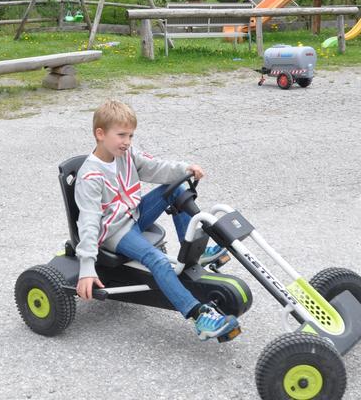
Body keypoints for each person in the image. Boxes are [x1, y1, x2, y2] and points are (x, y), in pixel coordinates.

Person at [73, 100, 239, 341]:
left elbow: (155, 168)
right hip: (114, 231)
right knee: (157, 261)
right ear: (100, 134)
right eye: (121, 135)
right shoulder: (90, 176)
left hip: (134, 215)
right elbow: (88, 222)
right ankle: (199, 316)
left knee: (177, 189)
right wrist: (86, 267)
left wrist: (185, 169)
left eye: (130, 135)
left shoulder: (125, 154)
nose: (127, 141)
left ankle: (195, 249)